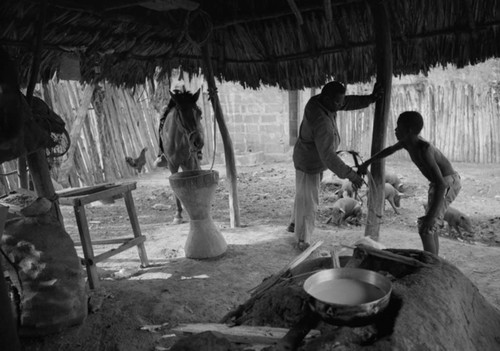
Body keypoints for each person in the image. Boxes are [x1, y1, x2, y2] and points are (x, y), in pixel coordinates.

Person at [289, 81, 383, 250]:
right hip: (308, 162)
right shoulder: (321, 120)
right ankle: (302, 240)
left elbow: (348, 102)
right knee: (308, 200)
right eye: (337, 103)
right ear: (326, 98)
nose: (340, 106)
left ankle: (294, 224)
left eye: (341, 102)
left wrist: (370, 99)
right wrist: (351, 175)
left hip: (310, 159)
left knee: (303, 194)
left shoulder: (325, 102)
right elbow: (328, 157)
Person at [357, 111, 461, 255]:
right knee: (429, 226)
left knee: (427, 226)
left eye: (398, 127)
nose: (395, 130)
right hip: (438, 184)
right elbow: (388, 150)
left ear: (409, 130)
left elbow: (442, 185)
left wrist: (430, 217)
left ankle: (430, 265)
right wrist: (367, 163)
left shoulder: (424, 150)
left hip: (448, 183)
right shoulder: (407, 143)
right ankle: (433, 260)